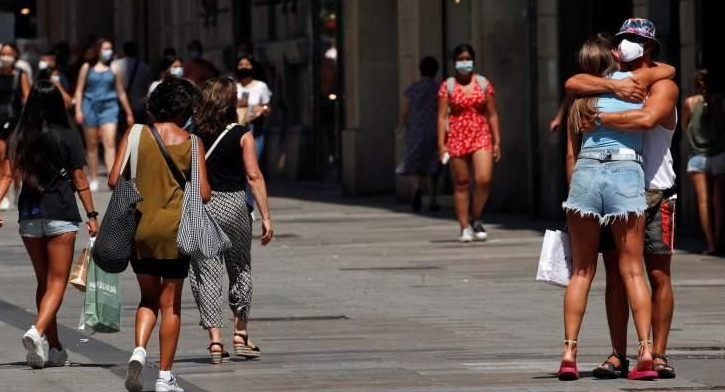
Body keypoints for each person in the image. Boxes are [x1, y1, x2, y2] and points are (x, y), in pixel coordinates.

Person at [559, 20, 677, 381]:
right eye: (623, 38)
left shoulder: (661, 84)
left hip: (655, 188)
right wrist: (612, 87)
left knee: (656, 273)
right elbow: (573, 82)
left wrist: (599, 119)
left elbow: (648, 118)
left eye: (636, 40)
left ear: (649, 48)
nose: (627, 44)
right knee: (619, 273)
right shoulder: (611, 84)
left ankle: (656, 353)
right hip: (624, 182)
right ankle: (621, 353)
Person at [109, 78, 208, 392]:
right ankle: (165, 376)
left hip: (140, 230)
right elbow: (204, 194)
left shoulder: (135, 133)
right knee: (171, 304)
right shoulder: (192, 142)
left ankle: (139, 349)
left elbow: (114, 179)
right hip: (175, 232)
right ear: (183, 108)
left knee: (147, 298)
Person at [0, 81, 99, 369]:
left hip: (29, 216)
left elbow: (6, 178)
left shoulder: (19, 136)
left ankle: (54, 348)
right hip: (61, 213)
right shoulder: (67, 137)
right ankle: (37, 331)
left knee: (44, 283)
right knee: (57, 283)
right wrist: (92, 215)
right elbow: (80, 180)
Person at [189, 77, 274, 364]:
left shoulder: (193, 134)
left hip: (203, 205)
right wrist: (265, 216)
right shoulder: (242, 134)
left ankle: (215, 341)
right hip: (235, 204)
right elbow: (254, 176)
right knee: (240, 268)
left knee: (207, 272)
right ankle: (240, 333)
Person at [437, 44, 501, 242]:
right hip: (457, 135)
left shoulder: (483, 84)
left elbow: (492, 114)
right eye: (460, 59)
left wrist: (497, 141)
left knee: (484, 179)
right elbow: (440, 117)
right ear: (454, 62)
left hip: (480, 134)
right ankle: (464, 225)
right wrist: (441, 144)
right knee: (462, 183)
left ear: (473, 60)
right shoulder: (448, 86)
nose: (464, 63)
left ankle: (476, 216)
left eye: (467, 58)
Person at [74, 39, 134, 192]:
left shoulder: (114, 69)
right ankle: (93, 177)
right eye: (105, 48)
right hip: (90, 106)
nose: (109, 51)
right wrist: (78, 110)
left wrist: (128, 112)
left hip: (109, 106)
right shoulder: (87, 67)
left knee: (110, 143)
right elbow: (79, 89)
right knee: (92, 145)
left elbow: (121, 92)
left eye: (110, 48)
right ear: (98, 50)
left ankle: (112, 176)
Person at [682, 69, 725, 255]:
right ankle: (719, 238)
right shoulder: (720, 102)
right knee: (719, 201)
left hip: (697, 157)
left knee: (703, 201)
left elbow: (684, 127)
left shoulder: (689, 103)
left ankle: (710, 244)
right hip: (718, 154)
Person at [396, 56, 442, 212]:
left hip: (416, 129)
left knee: (417, 162)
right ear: (436, 71)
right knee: (433, 164)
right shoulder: (439, 89)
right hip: (435, 129)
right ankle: (433, 199)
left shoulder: (412, 89)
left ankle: (417, 189)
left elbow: (404, 110)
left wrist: (402, 126)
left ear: (420, 70)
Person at [236, 55, 272, 212]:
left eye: (247, 64)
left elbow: (267, 108)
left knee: (252, 169)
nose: (244, 67)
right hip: (237, 129)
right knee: (239, 168)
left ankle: (249, 204)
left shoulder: (261, 86)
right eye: (241, 64)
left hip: (254, 129)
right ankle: (241, 202)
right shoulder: (233, 86)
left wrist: (262, 109)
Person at [0, 43, 31, 210]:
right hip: (0, 119)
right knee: (0, 154)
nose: (5, 57)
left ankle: (17, 188)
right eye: (3, 53)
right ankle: (3, 193)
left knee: (14, 157)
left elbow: (27, 97)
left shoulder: (20, 75)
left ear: (14, 56)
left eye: (8, 54)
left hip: (15, 119)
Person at [114, 41, 152, 126]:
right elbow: (148, 87)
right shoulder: (145, 67)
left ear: (123, 51)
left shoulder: (115, 65)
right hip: (138, 105)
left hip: (120, 107)